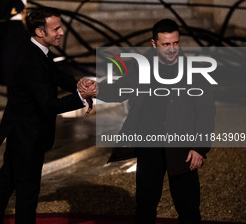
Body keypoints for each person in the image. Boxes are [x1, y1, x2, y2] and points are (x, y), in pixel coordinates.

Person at [79, 19, 216, 224]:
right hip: (149, 144)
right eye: (166, 44)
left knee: (188, 207)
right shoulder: (139, 67)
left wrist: (199, 147)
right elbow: (120, 89)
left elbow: (206, 111)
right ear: (154, 44)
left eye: (175, 43)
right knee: (145, 205)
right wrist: (96, 90)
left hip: (182, 146)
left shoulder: (193, 70)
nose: (172, 49)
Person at [0, 6, 96, 224]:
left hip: (23, 133)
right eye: (56, 29)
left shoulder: (37, 51)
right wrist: (81, 96)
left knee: (6, 184)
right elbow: (48, 105)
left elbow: (57, 75)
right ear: (40, 32)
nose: (61, 33)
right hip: (26, 137)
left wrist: (78, 85)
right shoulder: (31, 61)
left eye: (61, 27)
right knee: (27, 194)